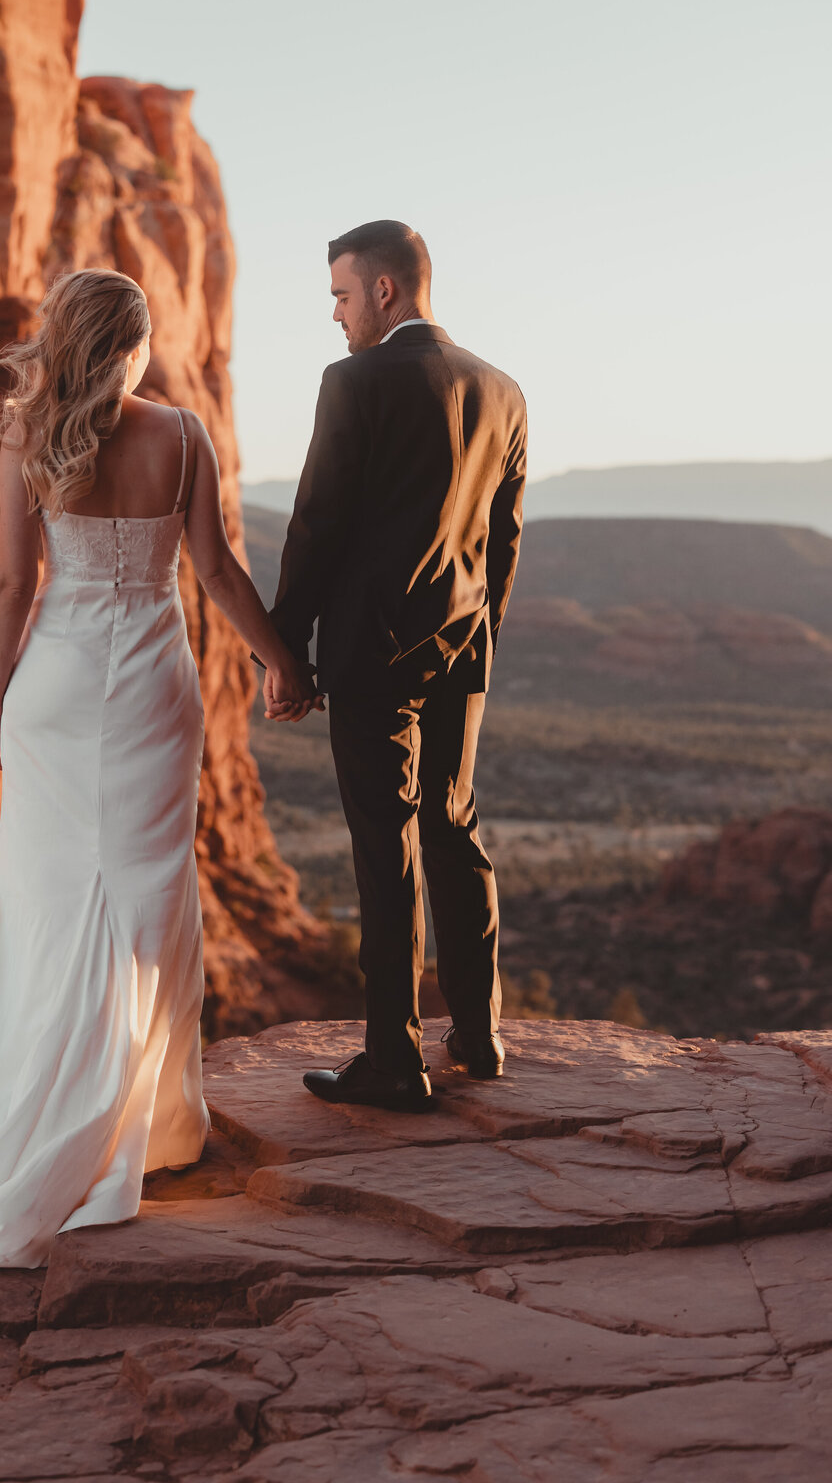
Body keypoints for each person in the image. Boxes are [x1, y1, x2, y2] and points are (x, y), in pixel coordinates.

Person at [0, 268, 312, 1268]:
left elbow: (14, 580)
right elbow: (218, 570)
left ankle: (30, 1105)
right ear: (135, 343)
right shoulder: (182, 435)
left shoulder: (27, 433)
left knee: (48, 895)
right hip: (151, 682)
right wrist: (282, 659)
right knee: (148, 892)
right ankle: (145, 1118)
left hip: (53, 688)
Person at [267, 220, 527, 1111]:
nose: (335, 317)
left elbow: (316, 523)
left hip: (372, 651)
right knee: (457, 826)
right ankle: (481, 1035)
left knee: (387, 848)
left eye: (342, 295)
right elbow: (504, 541)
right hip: (466, 644)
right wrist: (480, 630)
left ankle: (393, 1060)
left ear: (385, 290)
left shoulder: (354, 381)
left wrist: (285, 648)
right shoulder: (504, 390)